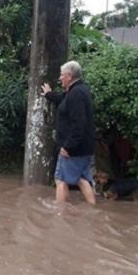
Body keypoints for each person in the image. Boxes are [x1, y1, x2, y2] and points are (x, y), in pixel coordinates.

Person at [41, 60, 96, 204]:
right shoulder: (79, 90)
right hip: (84, 148)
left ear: (69, 76)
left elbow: (79, 124)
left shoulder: (76, 94)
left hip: (73, 149)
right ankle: (92, 209)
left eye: (61, 75)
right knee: (81, 179)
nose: (60, 78)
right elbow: (63, 101)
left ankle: (60, 214)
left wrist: (67, 147)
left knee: (61, 180)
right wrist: (49, 95)